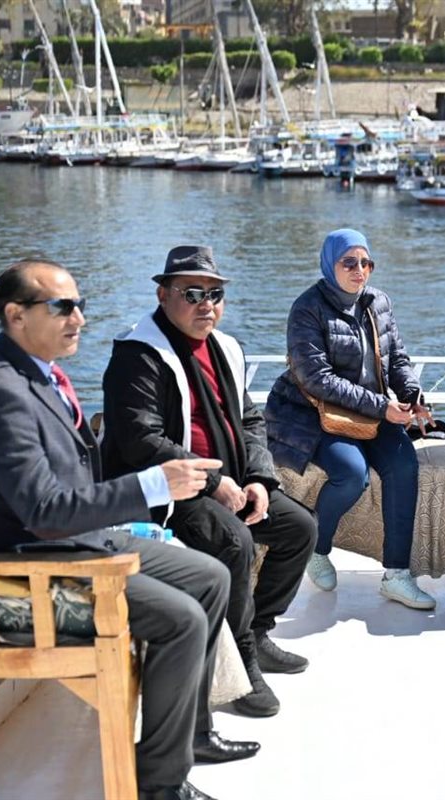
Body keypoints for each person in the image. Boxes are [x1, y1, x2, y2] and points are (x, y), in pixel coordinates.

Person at [0, 259, 260, 800]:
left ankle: (190, 735)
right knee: (181, 618)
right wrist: (153, 485)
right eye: (62, 307)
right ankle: (160, 784)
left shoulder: (37, 376)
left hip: (74, 543)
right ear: (15, 315)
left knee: (210, 577)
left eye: (80, 305)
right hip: (18, 576)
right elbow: (44, 511)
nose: (79, 319)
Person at [101, 246, 317, 719]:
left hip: (229, 482)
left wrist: (258, 478)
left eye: (215, 294)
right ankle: (240, 662)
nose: (206, 305)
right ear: (163, 295)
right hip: (165, 492)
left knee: (299, 528)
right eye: (192, 293)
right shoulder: (138, 356)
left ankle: (257, 632)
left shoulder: (226, 348)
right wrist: (214, 482)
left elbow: (250, 420)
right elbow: (141, 441)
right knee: (234, 541)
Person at [264, 229, 435, 610]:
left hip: (370, 412)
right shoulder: (307, 308)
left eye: (366, 263)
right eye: (349, 263)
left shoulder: (379, 302)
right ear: (330, 264)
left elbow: (398, 359)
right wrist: (382, 407)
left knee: (404, 465)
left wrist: (412, 396)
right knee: (351, 474)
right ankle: (316, 546)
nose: (360, 270)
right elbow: (317, 379)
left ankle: (397, 575)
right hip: (314, 414)